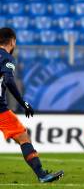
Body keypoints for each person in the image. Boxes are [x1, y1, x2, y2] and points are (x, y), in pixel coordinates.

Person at [0, 27, 64, 183]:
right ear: (13, 41)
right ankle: (42, 175)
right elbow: (8, 80)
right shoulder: (6, 57)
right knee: (23, 136)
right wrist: (23, 103)